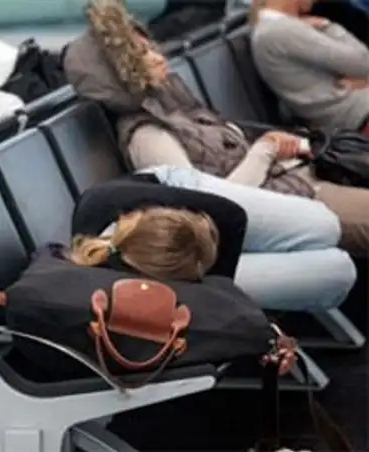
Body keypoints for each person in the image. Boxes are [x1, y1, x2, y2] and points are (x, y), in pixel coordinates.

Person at [62, 0, 369, 256]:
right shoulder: (148, 136)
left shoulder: (175, 106)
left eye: (150, 48)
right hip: (293, 200)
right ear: (119, 75)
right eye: (142, 55)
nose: (158, 56)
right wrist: (265, 150)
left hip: (296, 182)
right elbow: (209, 209)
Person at [68, 169, 356, 311]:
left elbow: (232, 216)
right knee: (337, 271)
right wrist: (218, 292)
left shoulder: (108, 202)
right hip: (171, 264)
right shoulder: (114, 285)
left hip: (176, 185)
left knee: (325, 225)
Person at [249, 0, 369, 134]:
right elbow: (363, 62)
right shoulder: (281, 30)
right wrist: (327, 26)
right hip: (358, 116)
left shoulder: (276, 28)